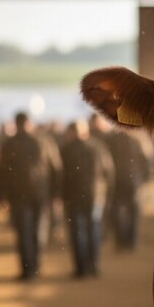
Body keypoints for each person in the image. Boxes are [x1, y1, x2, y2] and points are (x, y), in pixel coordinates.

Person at [0, 111, 61, 280]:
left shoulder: (10, 144)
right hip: (41, 194)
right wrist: (55, 193)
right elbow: (56, 169)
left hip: (19, 194)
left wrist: (1, 196)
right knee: (38, 231)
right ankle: (36, 265)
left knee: (23, 232)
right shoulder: (44, 142)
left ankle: (27, 269)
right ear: (29, 123)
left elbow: (2, 172)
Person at [59, 119, 114, 277]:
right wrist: (106, 193)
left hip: (73, 197)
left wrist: (61, 194)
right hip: (95, 196)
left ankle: (81, 268)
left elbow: (60, 176)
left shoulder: (66, 150)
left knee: (77, 232)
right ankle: (93, 266)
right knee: (93, 230)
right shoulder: (97, 147)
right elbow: (109, 172)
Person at [105, 125, 154, 251]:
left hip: (117, 180)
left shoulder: (111, 138)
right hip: (134, 181)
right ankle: (131, 242)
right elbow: (148, 160)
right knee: (134, 211)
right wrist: (146, 179)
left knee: (117, 211)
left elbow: (106, 161)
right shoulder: (139, 139)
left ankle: (121, 241)